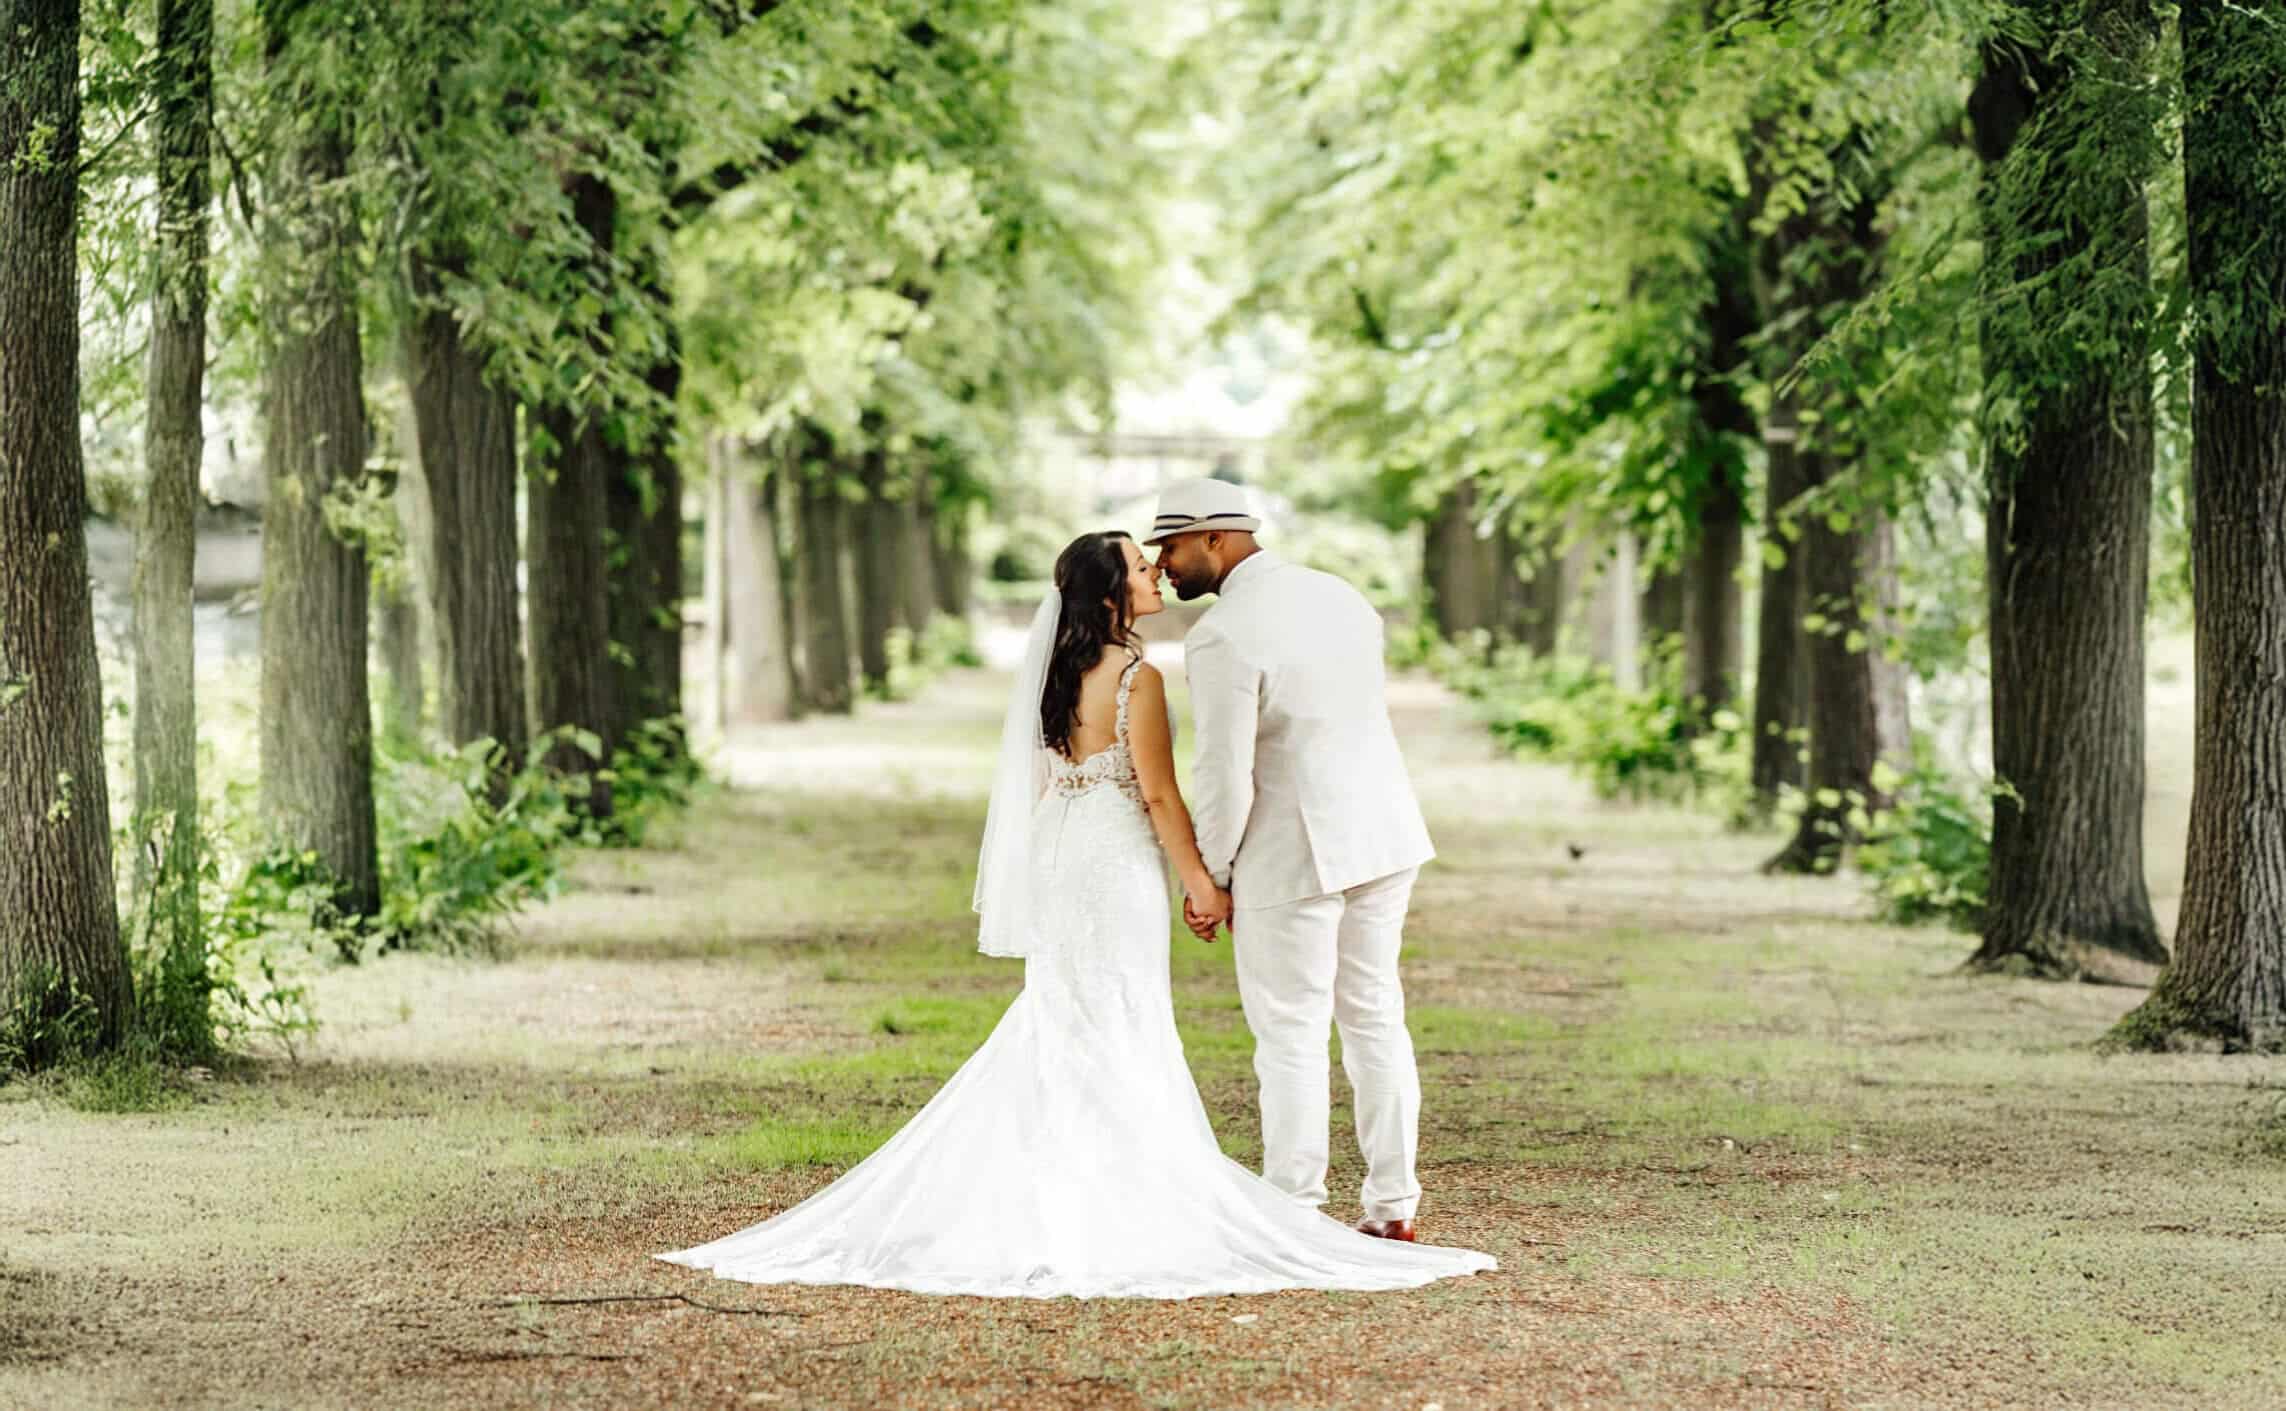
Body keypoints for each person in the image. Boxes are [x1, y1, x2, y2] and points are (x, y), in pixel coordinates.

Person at [655, 528, 1493, 1297]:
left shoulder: (1057, 675)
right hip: (1120, 861)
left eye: (1155, 556)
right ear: (1109, 596)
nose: (1154, 572)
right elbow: (1161, 795)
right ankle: (1172, 1197)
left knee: (1068, 1014)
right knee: (1127, 1015)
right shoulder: (1140, 677)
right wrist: (1204, 881)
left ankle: (1064, 1185)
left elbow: (1054, 782)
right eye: (1138, 565)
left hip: (1065, 853)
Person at [1147, 478, 1438, 1242]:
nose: (1163, 565)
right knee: (1376, 1017)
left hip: (1294, 848)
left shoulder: (1222, 635)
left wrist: (1210, 875)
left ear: (1216, 538)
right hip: (1384, 832)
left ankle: (1294, 1211)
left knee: (1290, 1032)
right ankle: (1393, 1205)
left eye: (1170, 547)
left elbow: (1224, 772)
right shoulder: (1343, 597)